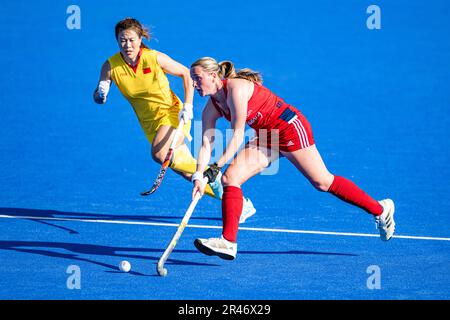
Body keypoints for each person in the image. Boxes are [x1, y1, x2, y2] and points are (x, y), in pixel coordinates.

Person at [190, 57, 395, 260]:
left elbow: (237, 134)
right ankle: (228, 242)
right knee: (230, 178)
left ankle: (380, 209)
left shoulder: (236, 89)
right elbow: (206, 143)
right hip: (266, 136)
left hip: (289, 129)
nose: (194, 83)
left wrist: (216, 165)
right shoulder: (211, 107)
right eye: (192, 79)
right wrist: (199, 175)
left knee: (322, 182)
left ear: (213, 75)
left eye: (197, 78)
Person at [93, 18, 255, 223]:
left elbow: (186, 75)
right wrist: (100, 94)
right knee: (187, 172)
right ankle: (239, 203)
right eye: (122, 41)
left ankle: (208, 174)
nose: (127, 45)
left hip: (173, 114)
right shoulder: (110, 66)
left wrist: (188, 105)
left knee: (160, 154)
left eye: (132, 40)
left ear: (140, 38)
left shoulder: (153, 58)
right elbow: (98, 95)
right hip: (149, 125)